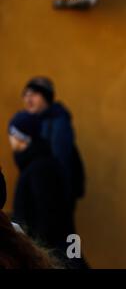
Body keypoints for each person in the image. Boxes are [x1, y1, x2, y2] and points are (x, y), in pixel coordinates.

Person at [8, 111, 81, 268]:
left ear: (19, 136)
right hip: (54, 250)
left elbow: (47, 218)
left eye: (11, 133)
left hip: (51, 254)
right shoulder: (38, 163)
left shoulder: (38, 168)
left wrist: (33, 253)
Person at [22, 76, 85, 203]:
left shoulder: (57, 122)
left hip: (52, 198)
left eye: (34, 94)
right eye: (25, 95)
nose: (28, 99)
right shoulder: (34, 121)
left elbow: (59, 163)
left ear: (46, 97)